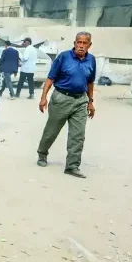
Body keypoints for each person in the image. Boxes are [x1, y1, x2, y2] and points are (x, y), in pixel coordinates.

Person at [36, 32, 96, 179]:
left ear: (89, 45)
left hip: (80, 101)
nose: (81, 46)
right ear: (74, 43)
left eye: (84, 43)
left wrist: (90, 101)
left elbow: (90, 82)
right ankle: (42, 154)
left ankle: (72, 166)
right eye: (79, 42)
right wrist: (43, 97)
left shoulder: (91, 60)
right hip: (61, 98)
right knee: (52, 131)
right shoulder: (64, 57)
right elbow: (50, 78)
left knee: (78, 135)